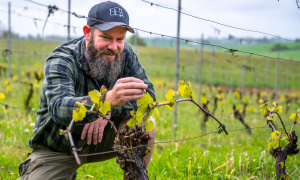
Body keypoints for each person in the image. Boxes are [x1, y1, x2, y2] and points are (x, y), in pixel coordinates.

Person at [18, 1, 156, 179]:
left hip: (103, 138)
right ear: (87, 33)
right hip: (59, 148)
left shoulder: (125, 53)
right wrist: (102, 104)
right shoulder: (62, 59)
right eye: (106, 37)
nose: (113, 46)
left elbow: (148, 96)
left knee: (144, 123)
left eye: (120, 39)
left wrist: (108, 109)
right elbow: (58, 107)